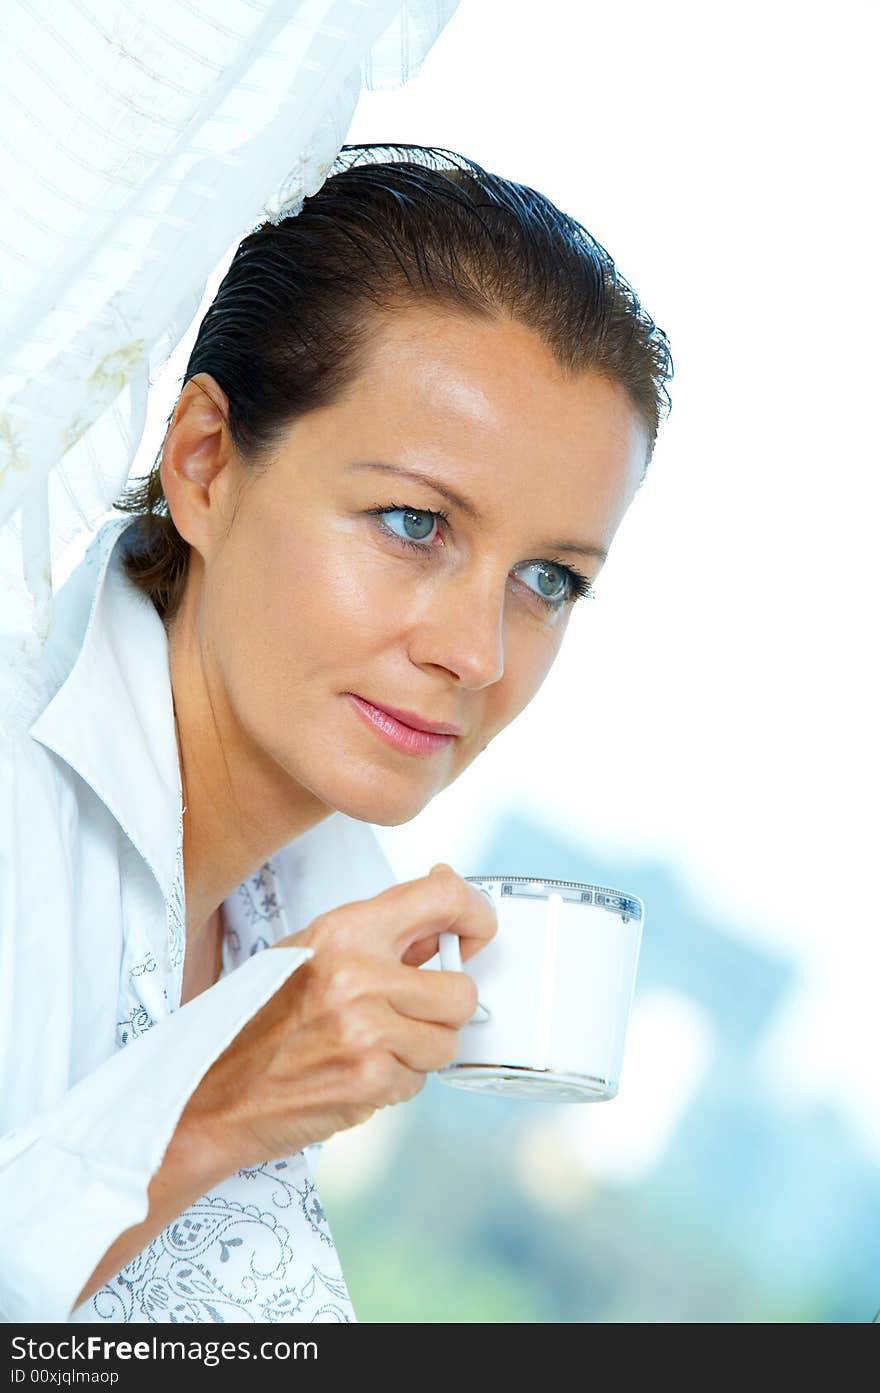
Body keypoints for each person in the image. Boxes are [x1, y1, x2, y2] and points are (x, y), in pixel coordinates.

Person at [0, 143, 673, 1323]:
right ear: (205, 465)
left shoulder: (308, 925)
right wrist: (215, 1112)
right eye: (413, 522)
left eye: (550, 580)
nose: (480, 652)